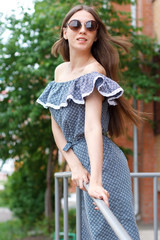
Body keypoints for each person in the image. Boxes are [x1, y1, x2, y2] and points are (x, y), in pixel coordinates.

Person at [37, 5, 141, 240]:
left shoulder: (95, 71)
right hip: (83, 166)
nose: (82, 30)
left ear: (95, 35)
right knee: (91, 233)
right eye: (75, 24)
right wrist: (73, 163)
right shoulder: (60, 72)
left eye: (90, 26)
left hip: (103, 166)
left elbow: (92, 127)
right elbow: (56, 124)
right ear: (65, 32)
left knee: (113, 232)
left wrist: (95, 180)